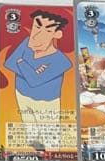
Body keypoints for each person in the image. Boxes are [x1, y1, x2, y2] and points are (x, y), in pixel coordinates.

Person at [4, 10, 72, 147]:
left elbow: (34, 81)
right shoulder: (26, 43)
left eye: (47, 30)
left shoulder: (61, 61)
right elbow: (9, 63)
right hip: (21, 94)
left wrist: (21, 63)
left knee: (51, 140)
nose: (37, 35)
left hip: (46, 103)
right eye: (37, 26)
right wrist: (33, 72)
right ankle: (35, 150)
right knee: (31, 134)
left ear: (57, 34)